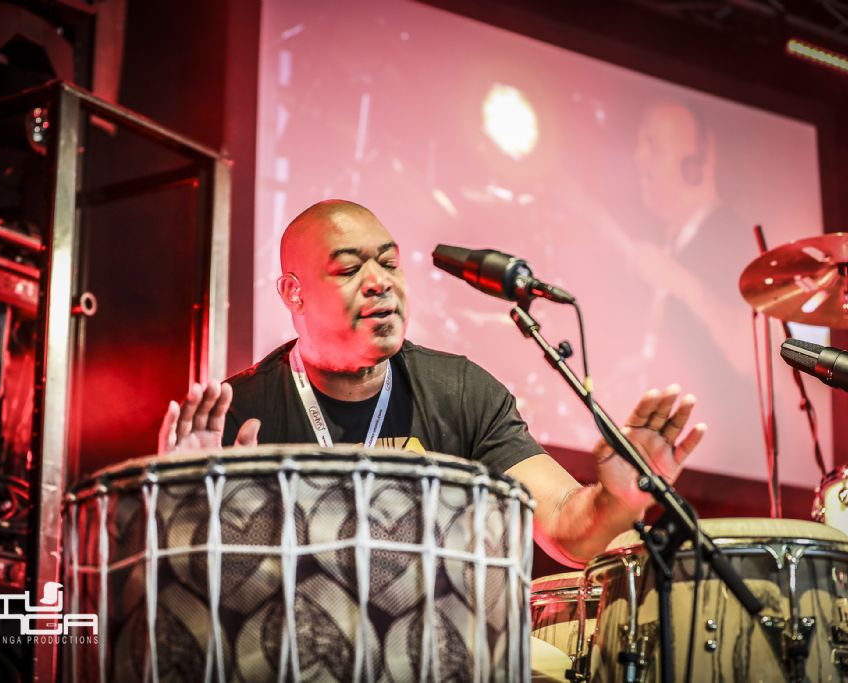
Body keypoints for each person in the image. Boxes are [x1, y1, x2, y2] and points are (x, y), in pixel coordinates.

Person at [158, 199, 706, 566]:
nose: (379, 283)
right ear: (293, 292)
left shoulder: (461, 393)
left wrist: (618, 500)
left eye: (390, 263)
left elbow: (566, 527)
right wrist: (180, 509)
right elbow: (185, 600)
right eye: (349, 269)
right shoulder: (236, 412)